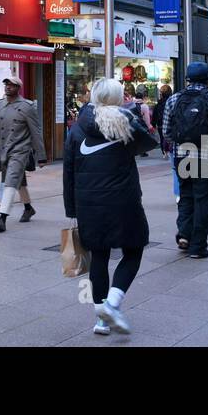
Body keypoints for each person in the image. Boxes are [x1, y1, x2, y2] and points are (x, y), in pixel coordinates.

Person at [63, 77, 156, 336]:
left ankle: (102, 319)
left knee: (100, 257)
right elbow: (150, 142)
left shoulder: (78, 127)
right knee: (134, 249)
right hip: (123, 200)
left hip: (88, 203)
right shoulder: (124, 122)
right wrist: (130, 114)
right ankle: (113, 305)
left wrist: (71, 210)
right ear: (119, 97)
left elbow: (68, 171)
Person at [162, 61, 208, 258]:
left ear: (188, 78)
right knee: (204, 200)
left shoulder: (174, 100)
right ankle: (198, 246)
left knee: (185, 196)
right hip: (206, 158)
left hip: (182, 157)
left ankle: (184, 234)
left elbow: (167, 132)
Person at [0, 75, 45, 231]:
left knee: (11, 180)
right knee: (18, 181)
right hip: (4, 150)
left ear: (18, 88)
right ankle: (28, 208)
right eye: (6, 84)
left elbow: (36, 132)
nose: (7, 87)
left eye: (11, 85)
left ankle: (2, 218)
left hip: (21, 150)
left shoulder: (27, 106)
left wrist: (41, 156)